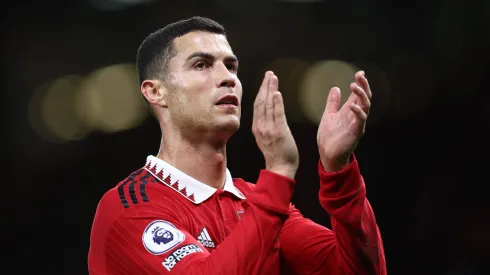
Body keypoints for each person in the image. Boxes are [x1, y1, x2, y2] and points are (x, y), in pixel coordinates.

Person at [88, 16, 386, 275]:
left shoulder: (256, 201)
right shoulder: (127, 208)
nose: (227, 78)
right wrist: (279, 171)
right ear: (156, 92)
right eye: (202, 65)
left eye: (231, 67)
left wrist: (339, 172)